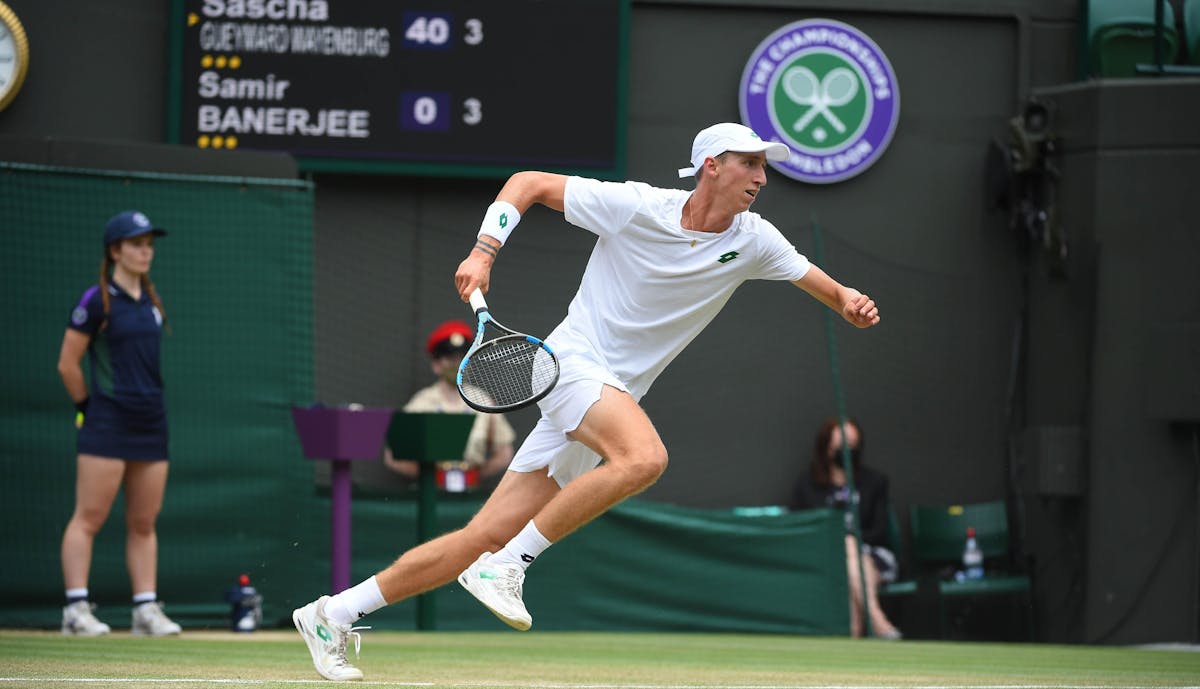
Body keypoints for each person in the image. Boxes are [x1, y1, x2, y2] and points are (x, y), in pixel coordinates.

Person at [293, 122, 880, 680]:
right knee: (644, 459)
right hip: (573, 363)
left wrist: (850, 302)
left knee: (482, 535)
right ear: (712, 166)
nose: (761, 175)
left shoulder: (755, 240)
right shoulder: (636, 206)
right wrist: (483, 251)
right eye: (749, 163)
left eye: (764, 166)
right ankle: (510, 567)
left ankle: (332, 614)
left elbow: (825, 287)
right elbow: (528, 184)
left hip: (611, 391)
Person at [56, 210, 182, 637]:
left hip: (151, 424)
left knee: (144, 522)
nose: (145, 251)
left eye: (149, 244)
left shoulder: (152, 302)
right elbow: (67, 364)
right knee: (89, 517)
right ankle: (76, 610)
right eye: (135, 243)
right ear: (115, 251)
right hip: (106, 423)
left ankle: (145, 609)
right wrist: (85, 408)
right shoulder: (95, 301)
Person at [790, 416, 902, 640]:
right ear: (826, 449)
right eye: (841, 447)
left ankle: (858, 634)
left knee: (849, 547)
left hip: (873, 556)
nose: (847, 453)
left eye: (852, 447)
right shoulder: (807, 485)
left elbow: (880, 532)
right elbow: (801, 529)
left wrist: (850, 541)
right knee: (846, 557)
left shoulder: (874, 482)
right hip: (826, 560)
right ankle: (878, 622)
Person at [381, 320, 516, 487]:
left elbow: (504, 451)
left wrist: (476, 475)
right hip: (431, 491)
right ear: (436, 365)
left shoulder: (482, 401)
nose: (456, 363)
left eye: (461, 357)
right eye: (450, 358)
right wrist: (427, 475)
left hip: (471, 491)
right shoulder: (421, 403)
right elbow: (392, 453)